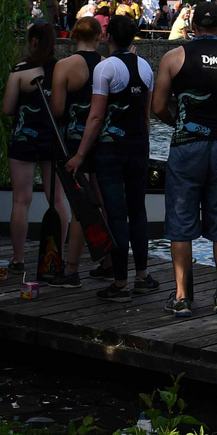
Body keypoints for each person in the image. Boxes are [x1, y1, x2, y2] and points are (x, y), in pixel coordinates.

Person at [152, 4, 217, 317]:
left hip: (187, 144)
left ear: (191, 26)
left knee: (181, 220)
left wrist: (179, 122)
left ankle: (181, 297)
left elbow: (157, 107)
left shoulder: (174, 57)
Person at [68, 15, 153, 302]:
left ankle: (120, 284)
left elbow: (95, 117)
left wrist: (80, 155)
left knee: (116, 213)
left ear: (108, 38)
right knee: (138, 210)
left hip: (111, 150)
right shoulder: (146, 67)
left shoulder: (105, 68)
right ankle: (142, 276)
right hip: (139, 147)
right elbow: (145, 116)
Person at [47, 16, 105, 286]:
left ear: (73, 36)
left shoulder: (64, 66)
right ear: (98, 37)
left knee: (79, 206)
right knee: (100, 202)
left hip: (71, 143)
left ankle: (71, 269)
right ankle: (108, 260)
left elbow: (57, 110)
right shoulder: (106, 65)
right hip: (99, 141)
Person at [2, 23, 59, 271]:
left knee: (21, 200)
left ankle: (18, 259)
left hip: (24, 140)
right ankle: (58, 259)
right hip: (51, 140)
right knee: (56, 199)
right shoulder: (61, 70)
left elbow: (6, 109)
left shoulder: (20, 71)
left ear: (33, 41)